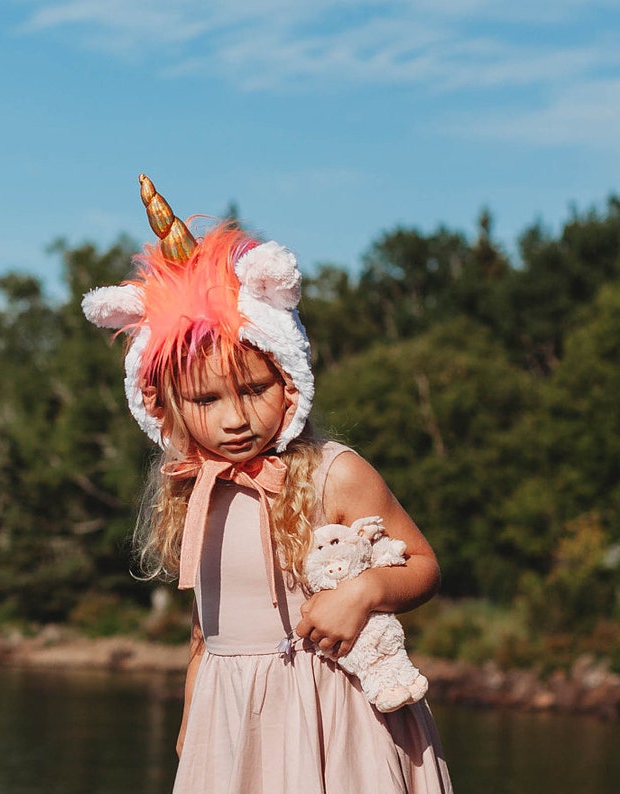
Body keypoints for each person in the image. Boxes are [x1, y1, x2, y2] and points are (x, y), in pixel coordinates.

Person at [83, 174, 453, 793]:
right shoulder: (191, 493)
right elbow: (208, 625)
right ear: (166, 407)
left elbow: (423, 565)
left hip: (332, 712)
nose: (235, 417)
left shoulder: (335, 470)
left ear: (289, 381)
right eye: (206, 398)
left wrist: (362, 593)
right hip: (231, 719)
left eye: (254, 389)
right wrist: (192, 709)